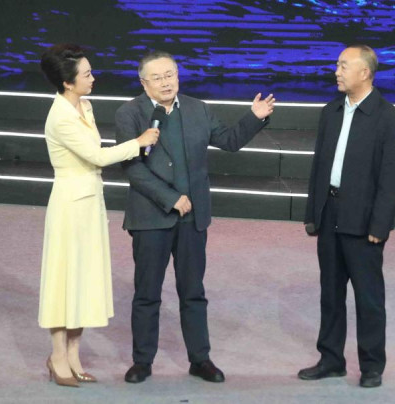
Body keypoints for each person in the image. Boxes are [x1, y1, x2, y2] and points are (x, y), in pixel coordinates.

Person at [115, 51, 275, 384]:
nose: (166, 82)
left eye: (170, 75)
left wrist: (254, 117)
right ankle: (142, 361)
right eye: (157, 77)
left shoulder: (197, 108)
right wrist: (170, 199)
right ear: (143, 82)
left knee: (193, 292)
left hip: (192, 220)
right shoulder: (129, 113)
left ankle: (200, 359)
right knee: (147, 293)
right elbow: (132, 168)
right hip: (151, 218)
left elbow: (229, 141)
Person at [38, 43, 159, 387]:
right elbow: (97, 156)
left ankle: (74, 355)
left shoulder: (85, 106)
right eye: (87, 74)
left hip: (90, 202)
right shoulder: (61, 117)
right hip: (69, 206)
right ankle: (57, 356)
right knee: (64, 281)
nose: (93, 78)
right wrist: (139, 141)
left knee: (83, 279)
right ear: (67, 82)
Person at [298, 44, 395, 388]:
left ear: (365, 72)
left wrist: (381, 223)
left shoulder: (389, 118)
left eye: (344, 66)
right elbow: (319, 167)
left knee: (368, 296)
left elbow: (392, 178)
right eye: (338, 65)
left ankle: (372, 365)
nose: (337, 72)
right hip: (330, 212)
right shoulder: (330, 111)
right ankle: (331, 359)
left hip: (363, 220)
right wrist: (312, 213)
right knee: (330, 293)